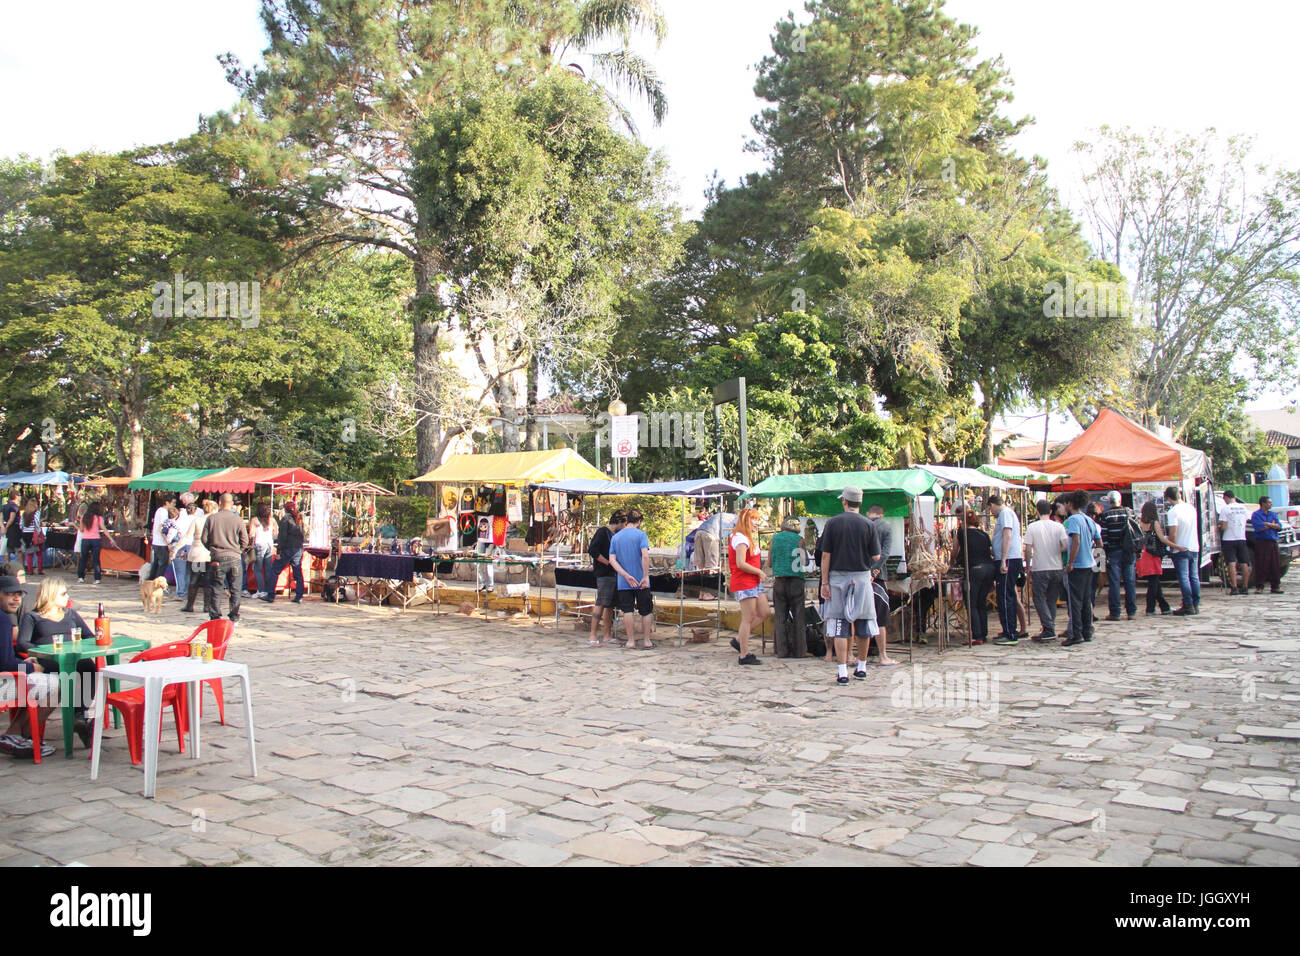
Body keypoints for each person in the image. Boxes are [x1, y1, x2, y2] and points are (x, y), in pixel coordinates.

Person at [17, 578, 96, 746]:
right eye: (63, 593)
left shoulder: (71, 613)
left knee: (88, 665)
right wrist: (42, 651)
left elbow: (89, 636)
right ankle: (79, 720)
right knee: (69, 671)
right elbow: (23, 642)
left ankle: (80, 714)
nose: (67, 596)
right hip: (50, 659)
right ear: (51, 595)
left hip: (73, 657)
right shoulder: (32, 616)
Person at [818, 486, 882, 684]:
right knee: (863, 622)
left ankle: (842, 670)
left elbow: (826, 555)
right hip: (862, 579)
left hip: (837, 579)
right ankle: (861, 667)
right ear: (860, 503)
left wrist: (825, 582)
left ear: (844, 501)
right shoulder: (869, 525)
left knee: (839, 624)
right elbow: (876, 556)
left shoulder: (833, 523)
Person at [0, 576, 57, 758]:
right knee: (61, 686)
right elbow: (5, 664)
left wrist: (23, 663)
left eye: (19, 594)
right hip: (3, 682)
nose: (16, 598)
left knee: (37, 686)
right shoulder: (2, 620)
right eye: (9, 594)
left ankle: (16, 736)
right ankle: (19, 736)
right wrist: (33, 669)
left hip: (7, 676)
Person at [724, 507, 771, 666]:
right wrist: (758, 571)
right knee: (748, 618)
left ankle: (739, 640)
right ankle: (744, 654)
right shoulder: (740, 539)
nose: (757, 523)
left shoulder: (746, 538)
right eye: (754, 519)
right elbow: (740, 563)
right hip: (745, 582)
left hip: (753, 582)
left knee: (764, 612)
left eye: (757, 519)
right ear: (745, 520)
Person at [608, 509, 655, 650]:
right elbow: (645, 556)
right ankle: (646, 640)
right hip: (641, 581)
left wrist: (625, 575)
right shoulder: (641, 535)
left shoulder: (616, 537)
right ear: (639, 521)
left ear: (627, 520)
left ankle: (631, 641)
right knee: (645, 610)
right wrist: (645, 576)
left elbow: (612, 560)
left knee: (627, 610)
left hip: (624, 581)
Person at [1024, 498, 1068, 641]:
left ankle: (1048, 627)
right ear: (1050, 511)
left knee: (1038, 598)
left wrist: (1028, 565)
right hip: (1056, 566)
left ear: (1037, 511)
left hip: (1040, 567)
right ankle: (1050, 626)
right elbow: (1065, 545)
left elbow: (1028, 549)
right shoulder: (1059, 527)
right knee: (1051, 598)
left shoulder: (1032, 527)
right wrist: (1057, 551)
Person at [950, 510, 996, 646]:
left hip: (975, 570)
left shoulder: (962, 534)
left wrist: (951, 563)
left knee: (972, 602)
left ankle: (977, 635)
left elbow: (955, 550)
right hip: (989, 568)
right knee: (981, 602)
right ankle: (984, 632)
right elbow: (990, 551)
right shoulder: (984, 535)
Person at [203, 493, 250, 622]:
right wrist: (238, 550)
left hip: (217, 557)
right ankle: (234, 616)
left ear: (219, 502)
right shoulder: (238, 520)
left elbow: (204, 539)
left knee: (216, 588)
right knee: (235, 588)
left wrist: (213, 550)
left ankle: (215, 616)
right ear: (232, 504)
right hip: (234, 557)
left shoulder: (212, 519)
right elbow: (245, 540)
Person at [1064, 490, 1101, 647]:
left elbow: (1076, 541)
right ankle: (1087, 631)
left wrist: (1070, 562)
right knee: (1086, 600)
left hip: (1078, 565)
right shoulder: (1088, 520)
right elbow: (1099, 543)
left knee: (1075, 601)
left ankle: (1076, 633)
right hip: (1089, 564)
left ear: (1071, 504)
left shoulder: (1073, 520)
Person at [988, 495, 1026, 645]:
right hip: (1007, 558)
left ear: (992, 504)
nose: (991, 512)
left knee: (1005, 596)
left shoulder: (1005, 513)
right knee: (1006, 595)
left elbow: (1007, 535)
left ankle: (1010, 633)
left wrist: (1003, 559)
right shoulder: (1006, 514)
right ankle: (1008, 629)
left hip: (1008, 559)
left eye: (990, 508)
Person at [769, 516, 808, 659]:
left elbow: (769, 564)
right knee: (799, 616)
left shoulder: (774, 539)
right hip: (796, 581)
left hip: (779, 582)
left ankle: (781, 651)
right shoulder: (800, 540)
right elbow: (804, 561)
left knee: (780, 617)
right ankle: (800, 651)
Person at [586, 511, 625, 646]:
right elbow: (593, 550)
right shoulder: (602, 532)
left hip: (614, 574)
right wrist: (608, 562)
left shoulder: (617, 535)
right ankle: (592, 635)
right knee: (601, 603)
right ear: (619, 522)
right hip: (604, 573)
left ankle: (607, 634)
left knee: (610, 605)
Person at [1099, 490, 1139, 622]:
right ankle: (1131, 612)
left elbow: (1104, 536)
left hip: (1114, 551)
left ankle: (1115, 612)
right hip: (1129, 550)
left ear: (1109, 501)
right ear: (1120, 501)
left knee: (1114, 583)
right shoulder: (1129, 512)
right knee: (1130, 582)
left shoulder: (1106, 515)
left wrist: (1106, 551)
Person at [1164, 486, 1201, 615]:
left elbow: (1173, 533)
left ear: (1168, 498)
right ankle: (1195, 604)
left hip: (1180, 548)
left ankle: (1188, 603)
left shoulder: (1173, 512)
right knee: (1194, 576)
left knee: (1184, 578)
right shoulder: (1191, 508)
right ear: (1179, 494)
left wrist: (1171, 546)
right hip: (1193, 546)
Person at [263, 501, 306, 604]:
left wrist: (279, 551)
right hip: (298, 549)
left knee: (274, 570)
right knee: (298, 573)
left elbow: (282, 537)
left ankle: (270, 595)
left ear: (286, 509)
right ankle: (299, 596)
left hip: (287, 549)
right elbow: (302, 535)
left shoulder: (285, 519)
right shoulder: (299, 520)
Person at [182, 500, 219, 615]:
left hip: (197, 554)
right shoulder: (215, 521)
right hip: (210, 555)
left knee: (194, 580)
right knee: (208, 581)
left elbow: (187, 536)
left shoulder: (197, 520)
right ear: (214, 509)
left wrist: (176, 548)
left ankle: (190, 605)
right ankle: (207, 606)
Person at [1136, 500, 1172, 615]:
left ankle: (1164, 606)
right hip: (1153, 554)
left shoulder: (1138, 522)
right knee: (1154, 581)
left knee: (1154, 581)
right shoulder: (1154, 523)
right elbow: (1162, 539)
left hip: (1143, 553)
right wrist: (1175, 546)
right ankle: (1150, 608)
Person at [1217, 490, 1251, 595]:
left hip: (1229, 539)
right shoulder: (1243, 507)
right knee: (1244, 563)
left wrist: (1219, 527)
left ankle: (1234, 587)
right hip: (1241, 538)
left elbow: (1224, 526)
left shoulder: (1225, 509)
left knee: (1231, 563)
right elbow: (1248, 519)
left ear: (1226, 498)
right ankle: (1245, 587)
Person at [1250, 496, 1284, 595]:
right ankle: (1259, 586)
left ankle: (1275, 586)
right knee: (1261, 564)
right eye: (1269, 502)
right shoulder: (1256, 514)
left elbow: (1279, 526)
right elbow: (1259, 527)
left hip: (1273, 541)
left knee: (1275, 565)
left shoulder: (1272, 514)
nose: (1271, 504)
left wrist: (1268, 524)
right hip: (1262, 542)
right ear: (1263, 504)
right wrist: (1271, 525)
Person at [249, 502, 278, 600]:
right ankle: (268, 589)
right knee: (268, 569)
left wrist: (250, 545)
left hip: (259, 544)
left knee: (257, 569)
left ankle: (260, 590)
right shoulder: (272, 520)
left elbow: (251, 534)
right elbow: (276, 533)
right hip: (270, 544)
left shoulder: (254, 520)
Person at [170, 494, 197, 602]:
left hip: (181, 546)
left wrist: (171, 545)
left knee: (180, 571)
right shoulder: (199, 520)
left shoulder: (181, 520)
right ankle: (189, 591)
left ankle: (181, 592)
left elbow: (174, 532)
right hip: (193, 547)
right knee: (190, 571)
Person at [145, 492, 176, 583]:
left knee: (156, 563)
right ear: (167, 503)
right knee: (163, 563)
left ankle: (151, 581)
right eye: (173, 503)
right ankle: (157, 582)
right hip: (160, 542)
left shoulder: (160, 511)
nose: (174, 505)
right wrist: (168, 542)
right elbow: (162, 528)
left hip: (157, 542)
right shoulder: (163, 512)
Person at [76, 500, 108, 585]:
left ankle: (81, 577)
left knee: (83, 559)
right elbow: (104, 529)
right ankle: (97, 579)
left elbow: (81, 529)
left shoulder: (84, 517)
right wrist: (111, 539)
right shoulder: (99, 518)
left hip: (85, 539)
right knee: (96, 560)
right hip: (96, 540)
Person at [18, 497, 43, 576]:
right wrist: (39, 532)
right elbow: (36, 523)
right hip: (34, 534)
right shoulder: (36, 512)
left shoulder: (24, 514)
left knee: (29, 554)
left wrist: (24, 530)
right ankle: (39, 570)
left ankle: (30, 571)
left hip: (26, 534)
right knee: (39, 553)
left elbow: (20, 525)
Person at [2, 491, 21, 564]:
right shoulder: (14, 507)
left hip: (5, 529)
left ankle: (7, 566)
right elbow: (11, 519)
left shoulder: (4, 506)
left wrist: (3, 527)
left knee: (6, 549)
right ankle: (21, 567)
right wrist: (6, 527)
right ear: (16, 496)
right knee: (19, 549)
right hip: (14, 529)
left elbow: (1, 518)